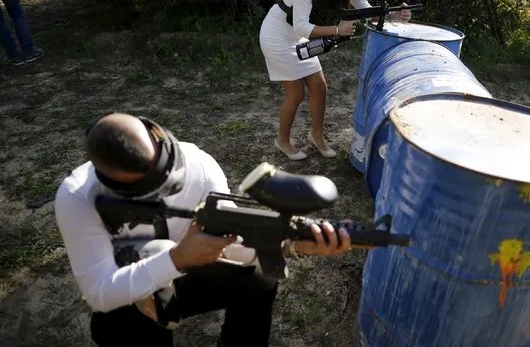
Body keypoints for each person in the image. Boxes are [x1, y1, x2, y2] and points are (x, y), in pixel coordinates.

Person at [54, 112, 356, 346]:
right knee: (123, 324)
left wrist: (292, 245)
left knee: (261, 275)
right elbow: (98, 292)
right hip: (139, 285)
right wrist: (176, 259)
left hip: (190, 268)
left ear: (159, 138)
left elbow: (235, 244)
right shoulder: (78, 196)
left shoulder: (197, 163)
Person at [259, 0, 410, 161]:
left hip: (300, 34)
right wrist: (337, 30)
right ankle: (283, 141)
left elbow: (367, 12)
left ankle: (316, 136)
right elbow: (301, 26)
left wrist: (393, 15)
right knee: (296, 94)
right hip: (277, 34)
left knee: (320, 87)